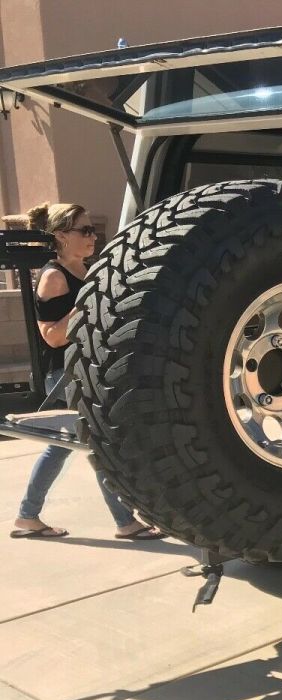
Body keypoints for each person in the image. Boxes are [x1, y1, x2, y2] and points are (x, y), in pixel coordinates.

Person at [10, 202, 163, 541]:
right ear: (61, 235)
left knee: (63, 446)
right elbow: (51, 336)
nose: (93, 237)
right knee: (98, 444)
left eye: (94, 230)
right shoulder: (54, 276)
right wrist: (87, 304)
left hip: (88, 372)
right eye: (85, 230)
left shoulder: (88, 270)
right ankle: (125, 521)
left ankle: (27, 516)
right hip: (66, 376)